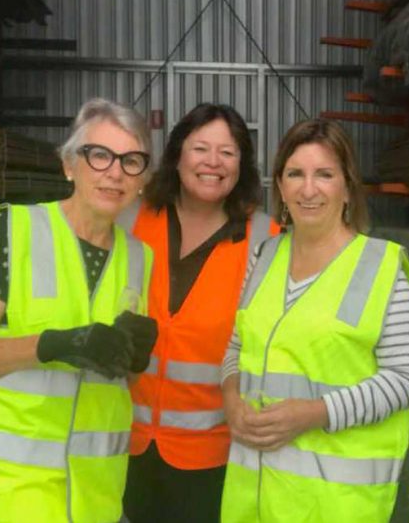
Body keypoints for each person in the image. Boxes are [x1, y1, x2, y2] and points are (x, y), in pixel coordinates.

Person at [0, 98, 159, 523]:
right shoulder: (15, 231)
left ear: (142, 181)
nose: (114, 172)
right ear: (68, 165)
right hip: (11, 488)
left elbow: (122, 380)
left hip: (95, 493)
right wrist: (53, 344)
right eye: (99, 155)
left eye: (131, 161)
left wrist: (136, 359)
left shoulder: (139, 258)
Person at [220, 119, 409, 522]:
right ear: (279, 186)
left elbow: (406, 378)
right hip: (253, 500)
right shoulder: (264, 257)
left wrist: (316, 413)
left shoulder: (380, 266)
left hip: (335, 505)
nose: (308, 189)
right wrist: (230, 399)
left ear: (347, 187)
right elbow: (237, 346)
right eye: (295, 174)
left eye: (325, 175)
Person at [119, 103, 279, 523]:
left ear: (242, 164)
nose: (213, 162)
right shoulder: (130, 219)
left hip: (212, 453)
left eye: (227, 152)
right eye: (200, 148)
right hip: (124, 441)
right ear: (176, 155)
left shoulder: (267, 239)